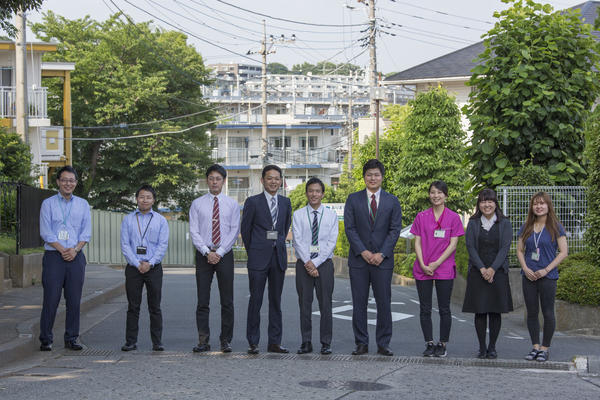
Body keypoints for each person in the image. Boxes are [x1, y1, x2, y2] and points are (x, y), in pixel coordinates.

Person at [344, 159, 402, 356]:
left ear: (382, 177)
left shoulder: (392, 200)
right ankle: (361, 343)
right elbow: (350, 229)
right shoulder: (353, 199)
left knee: (384, 302)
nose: (373, 178)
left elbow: (395, 230)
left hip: (382, 262)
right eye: (369, 174)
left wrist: (382, 253)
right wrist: (364, 252)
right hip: (359, 261)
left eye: (376, 174)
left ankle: (383, 343)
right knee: (359, 303)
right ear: (364, 177)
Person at [39, 166, 91, 351]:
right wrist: (63, 250)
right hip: (54, 256)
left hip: (76, 256)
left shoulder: (83, 204)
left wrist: (75, 250)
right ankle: (46, 338)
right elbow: (46, 232)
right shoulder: (48, 204)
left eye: (72, 180)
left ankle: (72, 338)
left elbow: (86, 232)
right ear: (58, 182)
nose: (68, 183)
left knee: (74, 300)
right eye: (64, 180)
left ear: (76, 183)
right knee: (51, 298)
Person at [241, 165, 292, 354]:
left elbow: (284, 228)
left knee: (276, 301)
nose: (273, 181)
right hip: (258, 259)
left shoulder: (286, 202)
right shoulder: (252, 202)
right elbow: (246, 231)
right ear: (262, 180)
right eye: (269, 178)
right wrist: (254, 250)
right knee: (256, 300)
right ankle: (253, 342)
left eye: (277, 178)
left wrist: (276, 244)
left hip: (278, 257)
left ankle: (274, 342)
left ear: (281, 181)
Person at [189, 164, 240, 353]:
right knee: (203, 300)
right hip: (204, 255)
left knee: (227, 301)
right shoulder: (197, 204)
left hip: (224, 255)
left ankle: (225, 340)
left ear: (224, 181)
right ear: (207, 180)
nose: (214, 182)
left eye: (218, 178)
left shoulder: (232, 204)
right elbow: (194, 231)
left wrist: (219, 252)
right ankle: (203, 340)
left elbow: (234, 230)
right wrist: (206, 251)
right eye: (211, 178)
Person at [410, 180, 464, 358]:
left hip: (444, 268)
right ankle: (429, 343)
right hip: (423, 267)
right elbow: (417, 241)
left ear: (446, 196)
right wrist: (424, 264)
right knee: (425, 308)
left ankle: (442, 344)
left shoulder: (453, 217)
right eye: (433, 192)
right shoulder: (421, 216)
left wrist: (436, 263)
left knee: (444, 308)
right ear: (429, 194)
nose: (436, 196)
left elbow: (453, 244)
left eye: (440, 193)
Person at [462, 189, 513, 359]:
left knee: (495, 311)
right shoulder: (474, 222)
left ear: (495, 203)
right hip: (478, 272)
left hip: (498, 273)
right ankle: (482, 347)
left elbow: (505, 248)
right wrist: (483, 269)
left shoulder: (505, 222)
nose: (487, 204)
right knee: (480, 311)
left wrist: (492, 269)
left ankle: (492, 347)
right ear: (479, 204)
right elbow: (470, 247)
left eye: (490, 201)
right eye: (483, 201)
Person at [517, 191, 568, 362]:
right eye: (535, 204)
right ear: (532, 207)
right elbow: (519, 250)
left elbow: (563, 252)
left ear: (548, 206)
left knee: (547, 312)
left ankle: (545, 348)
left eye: (542, 203)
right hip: (529, 276)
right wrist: (525, 268)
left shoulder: (556, 226)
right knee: (532, 312)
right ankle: (535, 347)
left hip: (548, 276)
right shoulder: (526, 226)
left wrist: (546, 270)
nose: (539, 206)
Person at [292, 178, 339, 355]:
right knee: (304, 304)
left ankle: (326, 342)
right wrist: (308, 262)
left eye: (317, 191)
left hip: (324, 264)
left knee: (325, 303)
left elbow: (331, 242)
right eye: (311, 191)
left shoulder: (331, 215)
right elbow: (297, 241)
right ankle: (306, 342)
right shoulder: (297, 214)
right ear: (306, 193)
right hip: (303, 264)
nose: (314, 194)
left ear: (323, 194)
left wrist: (316, 263)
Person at [120, 184, 169, 352]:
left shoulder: (161, 220)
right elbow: (125, 245)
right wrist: (136, 263)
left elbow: (163, 245)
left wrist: (150, 263)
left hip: (153, 267)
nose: (145, 200)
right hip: (134, 268)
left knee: (155, 306)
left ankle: (157, 342)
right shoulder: (128, 219)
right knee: (133, 306)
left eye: (148, 197)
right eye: (142, 197)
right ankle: (130, 342)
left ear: (154, 200)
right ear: (136, 199)